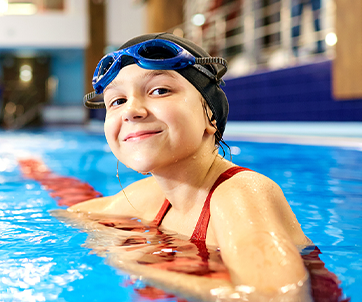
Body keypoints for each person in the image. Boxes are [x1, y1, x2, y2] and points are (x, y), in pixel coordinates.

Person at [68, 32, 313, 301]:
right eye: (117, 101)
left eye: (159, 90)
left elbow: (276, 298)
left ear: (210, 115)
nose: (131, 110)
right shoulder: (152, 196)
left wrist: (131, 262)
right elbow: (74, 214)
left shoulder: (240, 194)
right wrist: (108, 239)